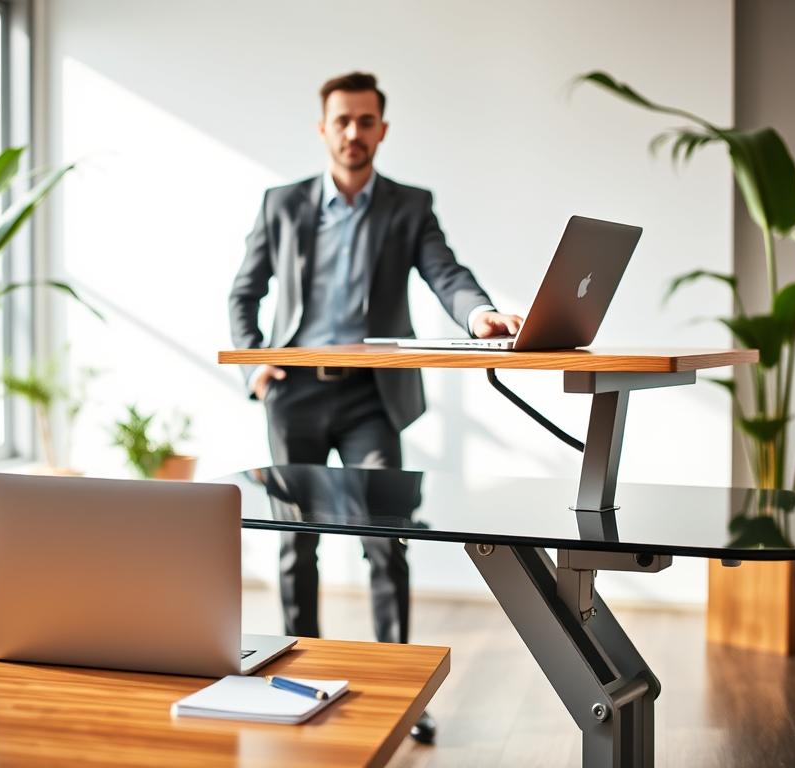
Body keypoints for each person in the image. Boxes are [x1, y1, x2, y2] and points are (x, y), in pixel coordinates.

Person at [228, 72, 523, 743]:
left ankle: (401, 693)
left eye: (366, 122)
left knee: (387, 537)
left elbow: (445, 271)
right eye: (342, 121)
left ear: (382, 130)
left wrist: (477, 313)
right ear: (323, 128)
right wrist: (256, 364)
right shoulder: (282, 204)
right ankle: (292, 687)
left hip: (371, 396)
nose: (354, 134)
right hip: (294, 393)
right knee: (294, 542)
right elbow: (242, 293)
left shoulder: (409, 207)